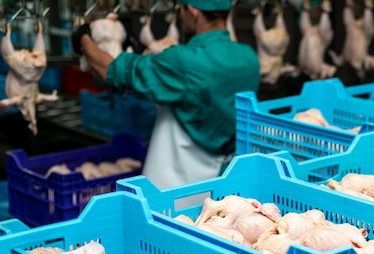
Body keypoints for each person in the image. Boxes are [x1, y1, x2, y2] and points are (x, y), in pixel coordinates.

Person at [72, 0, 260, 189]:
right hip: (223, 179)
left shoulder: (183, 61)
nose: (180, 15)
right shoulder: (249, 58)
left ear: (193, 11)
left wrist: (83, 38)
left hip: (175, 187)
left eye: (181, 9)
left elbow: (110, 70)